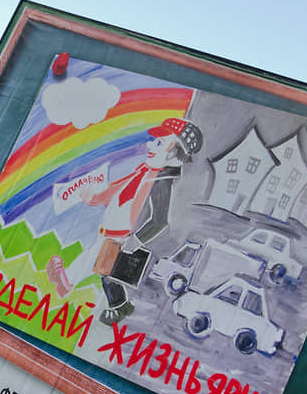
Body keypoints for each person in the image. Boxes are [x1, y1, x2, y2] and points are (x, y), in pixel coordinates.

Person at [47, 117, 203, 325]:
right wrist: (94, 198)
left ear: (174, 152)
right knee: (103, 268)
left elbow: (159, 221)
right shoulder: (145, 171)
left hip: (123, 235)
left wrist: (135, 240)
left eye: (159, 143)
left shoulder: (161, 183)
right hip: (112, 229)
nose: (150, 145)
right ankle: (117, 304)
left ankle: (68, 282)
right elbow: (118, 189)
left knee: (100, 264)